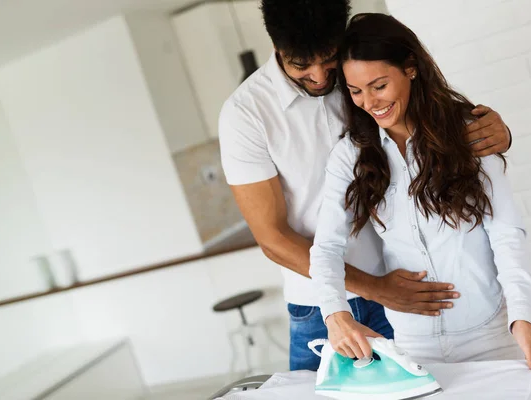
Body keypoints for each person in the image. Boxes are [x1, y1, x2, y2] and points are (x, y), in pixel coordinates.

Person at [219, 0, 513, 371]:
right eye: (300, 66)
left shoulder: (360, 76)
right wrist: (377, 288)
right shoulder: (245, 114)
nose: (321, 78)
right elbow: (272, 238)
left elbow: (429, 118)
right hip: (323, 306)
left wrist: (492, 133)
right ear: (276, 46)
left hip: (408, 289)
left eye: (327, 60)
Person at [309, 13, 531, 370]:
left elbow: (506, 233)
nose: (369, 102)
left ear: (410, 68)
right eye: (356, 91)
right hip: (413, 345)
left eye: (379, 85)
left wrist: (523, 318)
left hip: (491, 337)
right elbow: (327, 245)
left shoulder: (470, 131)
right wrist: (335, 314)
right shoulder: (351, 154)